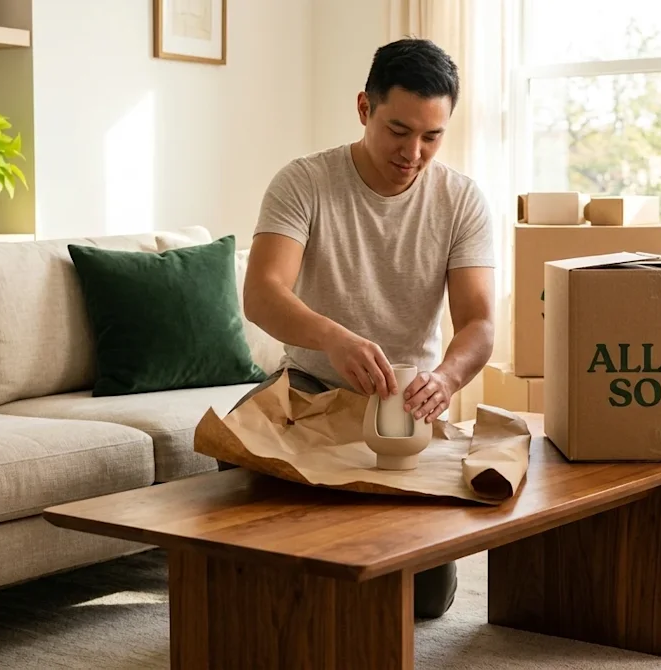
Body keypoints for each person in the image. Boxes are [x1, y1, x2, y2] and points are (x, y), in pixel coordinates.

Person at [229, 38, 496, 620]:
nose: (414, 152)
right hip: (311, 389)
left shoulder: (462, 199)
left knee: (424, 602)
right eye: (399, 131)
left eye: (432, 136)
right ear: (363, 108)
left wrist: (447, 378)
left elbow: (478, 322)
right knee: (236, 449)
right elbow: (262, 294)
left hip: (409, 407)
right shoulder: (304, 182)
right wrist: (332, 337)